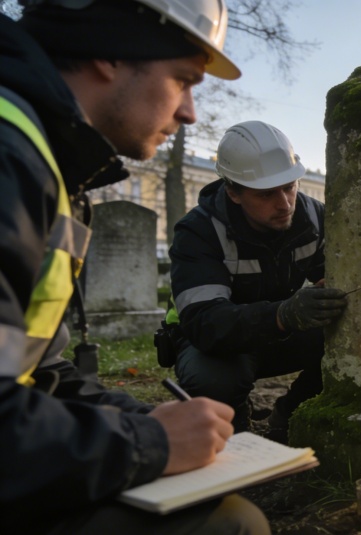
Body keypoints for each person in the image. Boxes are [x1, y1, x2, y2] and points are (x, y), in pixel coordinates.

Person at [0, 0, 271, 533]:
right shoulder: (12, 161)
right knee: (231, 526)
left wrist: (143, 418)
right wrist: (151, 442)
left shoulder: (44, 158)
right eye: (183, 80)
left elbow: (39, 371)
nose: (190, 112)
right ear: (110, 52)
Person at [166, 120, 346, 441]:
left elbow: (337, 282)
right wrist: (283, 314)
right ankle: (235, 439)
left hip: (279, 333)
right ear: (233, 192)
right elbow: (205, 323)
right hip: (216, 344)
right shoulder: (199, 231)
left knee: (352, 335)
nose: (284, 204)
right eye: (266, 194)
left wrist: (330, 293)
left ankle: (291, 415)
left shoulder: (314, 218)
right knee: (212, 379)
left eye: (289, 186)